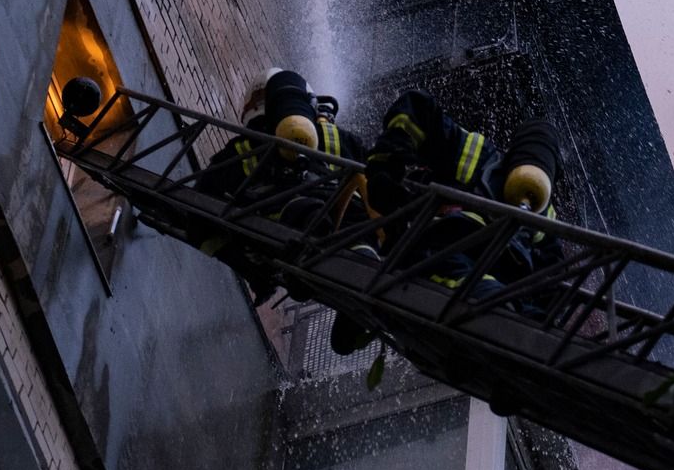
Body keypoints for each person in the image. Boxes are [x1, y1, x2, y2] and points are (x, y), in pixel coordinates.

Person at [335, 91, 566, 353]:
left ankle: (359, 295)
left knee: (445, 271)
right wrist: (386, 167)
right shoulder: (545, 214)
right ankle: (518, 323)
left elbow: (418, 108)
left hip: (445, 254)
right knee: (458, 277)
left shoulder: (483, 159)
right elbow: (555, 281)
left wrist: (385, 163)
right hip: (456, 259)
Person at [197, 69, 366, 299]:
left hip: (284, 239)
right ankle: (365, 254)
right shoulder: (336, 135)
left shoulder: (241, 150)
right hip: (353, 230)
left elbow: (197, 209)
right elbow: (377, 175)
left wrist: (248, 268)